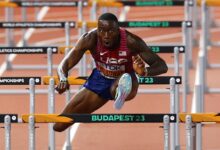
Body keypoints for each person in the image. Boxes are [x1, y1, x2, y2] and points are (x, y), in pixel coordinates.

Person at [54, 12, 168, 132]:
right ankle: (117, 91)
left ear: (118, 30)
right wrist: (62, 78)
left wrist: (144, 72)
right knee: (59, 125)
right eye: (102, 30)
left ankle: (121, 92)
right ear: (98, 30)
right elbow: (64, 64)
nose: (106, 35)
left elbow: (162, 66)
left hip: (127, 78)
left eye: (111, 31)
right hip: (100, 79)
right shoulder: (90, 38)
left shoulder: (131, 41)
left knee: (118, 85)